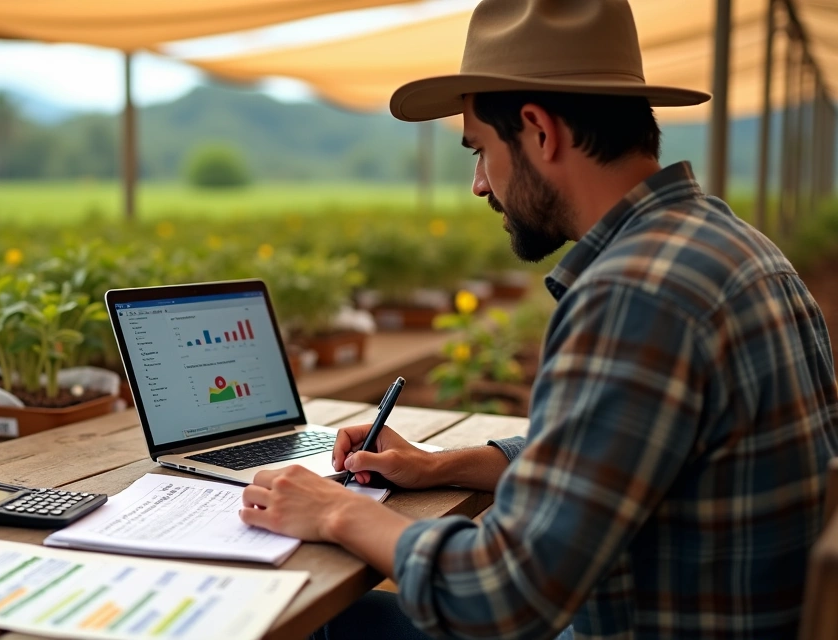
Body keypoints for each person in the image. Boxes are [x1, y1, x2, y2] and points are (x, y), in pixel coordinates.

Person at [238, 1, 838, 638]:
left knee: (322, 617)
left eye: (481, 150)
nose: (479, 185)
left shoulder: (634, 295)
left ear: (539, 131)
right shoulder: (729, 245)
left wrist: (335, 511)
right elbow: (602, 456)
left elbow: (498, 598)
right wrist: (439, 467)